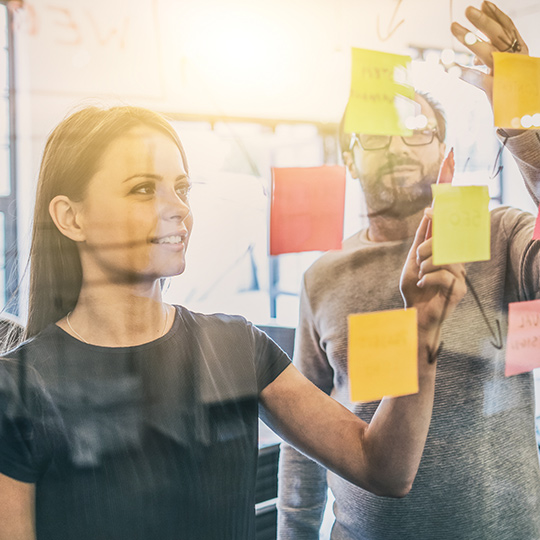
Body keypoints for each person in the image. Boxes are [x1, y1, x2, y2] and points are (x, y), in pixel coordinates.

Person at [0, 104, 464, 540]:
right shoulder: (18, 388)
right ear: (70, 217)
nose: (178, 208)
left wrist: (421, 330)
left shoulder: (236, 346)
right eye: (143, 188)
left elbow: (382, 468)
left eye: (181, 188)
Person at [277, 3, 540, 540]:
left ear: (444, 152)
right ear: (349, 158)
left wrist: (521, 117)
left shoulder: (498, 236)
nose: (395, 145)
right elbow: (302, 436)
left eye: (416, 129)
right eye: (373, 134)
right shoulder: (322, 278)